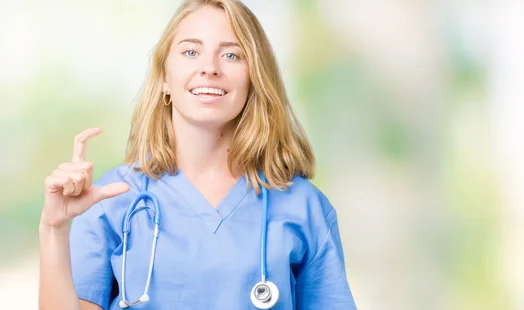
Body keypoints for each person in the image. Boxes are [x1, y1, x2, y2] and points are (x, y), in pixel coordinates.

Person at [38, 0, 356, 309]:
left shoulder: (303, 207)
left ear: (254, 77)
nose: (209, 68)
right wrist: (54, 228)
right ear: (164, 77)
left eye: (231, 55)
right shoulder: (112, 200)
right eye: (191, 52)